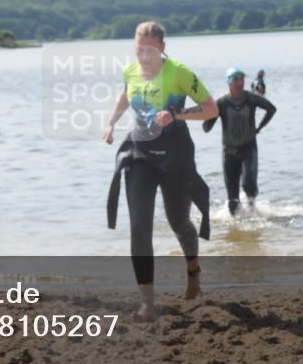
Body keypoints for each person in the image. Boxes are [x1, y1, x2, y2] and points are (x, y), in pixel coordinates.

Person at [103, 22, 218, 321]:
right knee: (139, 225)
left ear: (163, 48)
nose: (143, 56)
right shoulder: (130, 71)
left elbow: (210, 108)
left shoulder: (179, 72)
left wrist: (177, 114)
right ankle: (147, 304)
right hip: (140, 154)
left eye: (149, 50)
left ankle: (193, 270)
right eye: (139, 49)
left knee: (178, 221)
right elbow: (126, 95)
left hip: (175, 156)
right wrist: (111, 122)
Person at [203, 67, 277, 213]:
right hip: (228, 152)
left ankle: (252, 211)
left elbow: (271, 109)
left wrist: (259, 127)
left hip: (248, 149)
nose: (241, 82)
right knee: (232, 200)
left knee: (249, 186)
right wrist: (207, 115)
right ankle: (235, 227)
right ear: (229, 82)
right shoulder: (221, 103)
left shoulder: (251, 98)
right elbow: (206, 127)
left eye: (242, 78)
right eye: (237, 79)